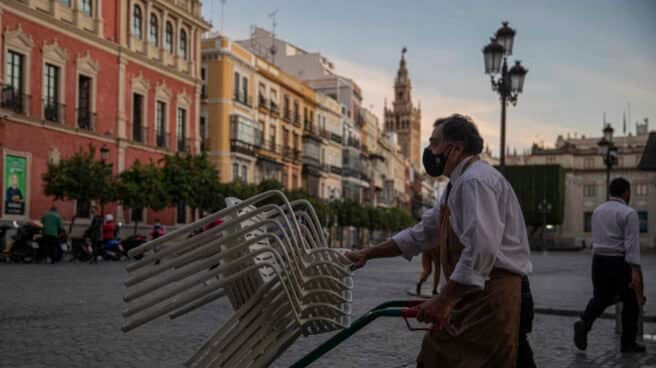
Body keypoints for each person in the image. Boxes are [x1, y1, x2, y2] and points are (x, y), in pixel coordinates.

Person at [348, 114, 533, 368]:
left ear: (454, 148)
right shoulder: (456, 185)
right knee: (437, 357)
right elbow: (421, 234)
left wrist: (443, 300)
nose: (429, 150)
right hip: (472, 296)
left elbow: (481, 251)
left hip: (491, 297)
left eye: (434, 143)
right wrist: (368, 253)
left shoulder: (475, 181)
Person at [573, 177, 646, 353]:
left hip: (598, 261)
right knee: (631, 302)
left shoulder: (597, 211)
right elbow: (632, 246)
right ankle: (627, 343)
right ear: (626, 192)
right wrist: (635, 272)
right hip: (619, 262)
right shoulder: (629, 213)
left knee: (601, 297)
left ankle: (584, 323)